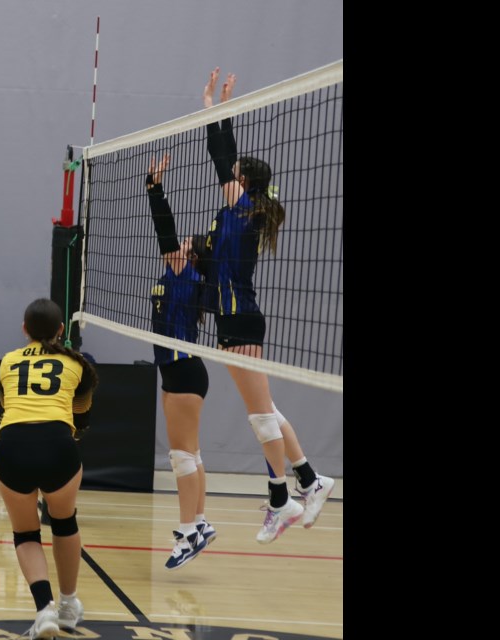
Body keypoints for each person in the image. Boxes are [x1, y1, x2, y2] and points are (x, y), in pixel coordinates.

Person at [201, 67, 334, 544]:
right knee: (266, 409)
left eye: (234, 175)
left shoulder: (243, 205)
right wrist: (216, 109)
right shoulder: (247, 209)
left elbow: (221, 157)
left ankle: (283, 499)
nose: (227, 177)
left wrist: (217, 109)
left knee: (259, 414)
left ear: (244, 181)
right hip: (235, 316)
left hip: (239, 318)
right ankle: (311, 479)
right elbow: (224, 160)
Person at [0, 298, 99, 636]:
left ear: (24, 330)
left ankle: (45, 610)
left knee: (25, 533)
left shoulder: (8, 360)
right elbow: (82, 418)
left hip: (13, 446)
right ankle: (68, 602)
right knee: (64, 521)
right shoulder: (77, 365)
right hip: (57, 443)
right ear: (60, 330)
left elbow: (8, 405)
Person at [146, 153, 217, 569]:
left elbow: (165, 230)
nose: (178, 247)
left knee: (181, 457)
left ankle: (188, 531)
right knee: (192, 453)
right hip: (177, 371)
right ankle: (202, 523)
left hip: (185, 370)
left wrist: (155, 188)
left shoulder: (182, 272)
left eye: (184, 247)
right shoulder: (181, 275)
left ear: (188, 257)